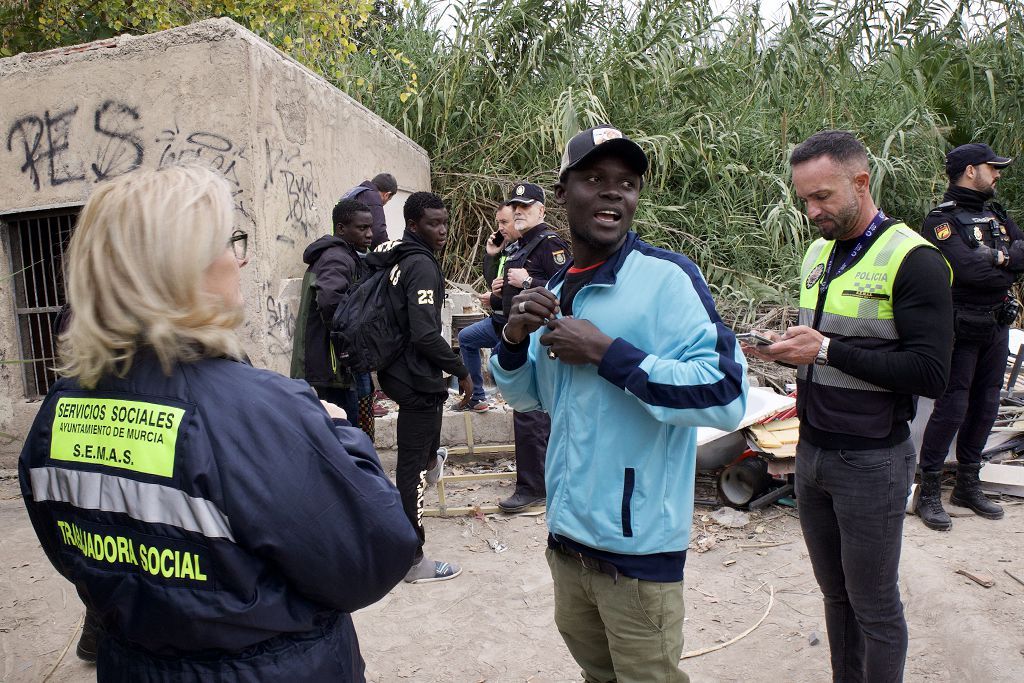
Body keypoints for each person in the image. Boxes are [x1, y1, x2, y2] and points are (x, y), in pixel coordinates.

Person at [18, 166, 417, 681]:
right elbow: (375, 555)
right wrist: (335, 434)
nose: (241, 258)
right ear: (183, 270)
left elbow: (71, 552)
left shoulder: (61, 407)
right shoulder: (261, 413)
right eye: (230, 242)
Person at [491, 125, 747, 682]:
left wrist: (608, 353)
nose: (613, 193)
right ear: (562, 193)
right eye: (594, 179)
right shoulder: (558, 286)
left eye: (626, 183)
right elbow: (529, 396)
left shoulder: (668, 280)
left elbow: (725, 392)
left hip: (636, 554)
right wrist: (512, 342)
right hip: (566, 542)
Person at [745, 130, 953, 683]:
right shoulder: (819, 253)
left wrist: (828, 348)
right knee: (835, 598)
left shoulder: (915, 260)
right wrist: (791, 352)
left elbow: (932, 373)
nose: (811, 211)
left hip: (872, 462)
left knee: (875, 607)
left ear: (861, 183)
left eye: (822, 197)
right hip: (812, 452)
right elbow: (827, 350)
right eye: (804, 199)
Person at [370, 191, 473, 583]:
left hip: (400, 370)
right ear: (414, 225)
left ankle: (434, 460)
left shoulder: (400, 256)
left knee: (424, 452)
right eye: (433, 223)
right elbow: (426, 334)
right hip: (414, 375)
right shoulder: (421, 266)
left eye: (444, 222)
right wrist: (461, 369)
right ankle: (413, 560)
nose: (442, 230)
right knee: (411, 468)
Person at [916, 143, 1019, 529]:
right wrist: (1009, 262)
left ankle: (967, 485)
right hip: (959, 324)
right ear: (971, 170)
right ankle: (929, 491)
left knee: (987, 403)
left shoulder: (996, 213)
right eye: (993, 168)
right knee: (953, 406)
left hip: (997, 323)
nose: (998, 175)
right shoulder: (940, 221)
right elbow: (965, 271)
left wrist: (998, 260)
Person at [494, 182, 571, 512]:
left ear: (542, 209)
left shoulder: (549, 242)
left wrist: (527, 281)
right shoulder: (521, 243)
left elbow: (566, 290)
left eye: (526, 206)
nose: (519, 211)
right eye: (516, 206)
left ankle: (533, 487)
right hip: (517, 337)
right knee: (524, 414)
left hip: (539, 341)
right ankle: (533, 482)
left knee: (531, 418)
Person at [291, 198, 373, 430]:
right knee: (346, 432)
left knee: (350, 426)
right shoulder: (337, 257)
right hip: (334, 367)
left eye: (370, 227)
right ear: (341, 229)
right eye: (362, 228)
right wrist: (347, 345)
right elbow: (330, 300)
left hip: (336, 365)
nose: (369, 234)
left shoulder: (344, 255)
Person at [454, 202, 522, 412]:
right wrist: (492, 253)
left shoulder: (526, 250)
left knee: (498, 363)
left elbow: (519, 297)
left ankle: (522, 401)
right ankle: (476, 397)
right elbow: (493, 281)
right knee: (466, 338)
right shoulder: (507, 249)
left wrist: (493, 300)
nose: (500, 228)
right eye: (498, 222)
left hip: (516, 325)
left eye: (504, 222)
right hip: (498, 320)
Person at [343, 172, 398, 248]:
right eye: (389, 199)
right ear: (387, 195)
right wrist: (391, 251)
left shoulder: (355, 192)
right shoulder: (373, 197)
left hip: (343, 246)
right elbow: (378, 234)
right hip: (354, 251)